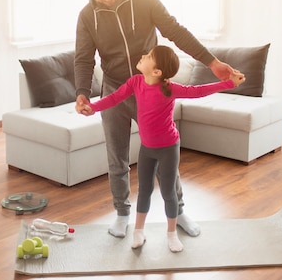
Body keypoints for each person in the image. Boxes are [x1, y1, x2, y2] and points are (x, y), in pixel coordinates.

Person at [75, 0, 241, 239]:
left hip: (151, 91)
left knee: (165, 155)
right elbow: (83, 59)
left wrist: (211, 63)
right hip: (117, 87)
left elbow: (174, 31)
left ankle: (179, 211)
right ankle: (122, 213)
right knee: (117, 157)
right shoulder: (87, 17)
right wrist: (81, 92)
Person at [79, 46, 245, 251]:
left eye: (148, 56)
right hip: (147, 148)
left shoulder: (170, 88)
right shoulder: (136, 82)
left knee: (168, 193)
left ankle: (172, 234)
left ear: (157, 72)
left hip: (168, 148)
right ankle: (138, 232)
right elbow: (115, 98)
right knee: (144, 191)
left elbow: (198, 91)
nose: (142, 55)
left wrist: (228, 83)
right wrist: (93, 108)